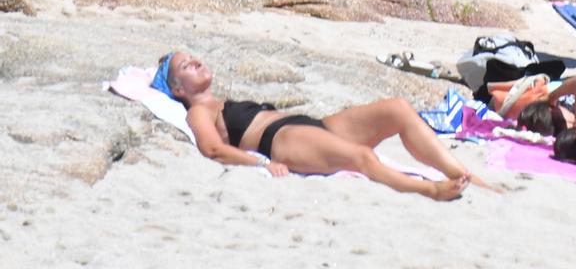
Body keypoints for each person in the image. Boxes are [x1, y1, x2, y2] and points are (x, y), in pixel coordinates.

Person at [147, 48, 492, 198]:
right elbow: (212, 148)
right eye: (186, 66)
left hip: (312, 125)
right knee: (362, 156)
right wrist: (262, 161)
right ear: (177, 89)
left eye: (193, 58)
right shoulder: (198, 112)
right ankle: (429, 190)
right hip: (280, 140)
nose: (196, 62)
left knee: (400, 108)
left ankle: (458, 172)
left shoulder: (222, 101)